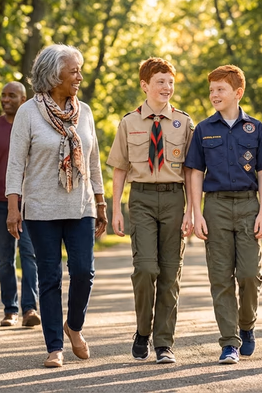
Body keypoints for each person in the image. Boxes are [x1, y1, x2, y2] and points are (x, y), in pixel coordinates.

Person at [5, 44, 107, 368]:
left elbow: (93, 162)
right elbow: (15, 163)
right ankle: (54, 346)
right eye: (74, 70)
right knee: (48, 277)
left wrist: (101, 202)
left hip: (81, 206)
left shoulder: (85, 112)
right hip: (41, 210)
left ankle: (73, 326)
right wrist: (12, 206)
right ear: (53, 75)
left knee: (83, 272)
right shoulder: (28, 113)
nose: (79, 76)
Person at [184, 65, 262, 364]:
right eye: (211, 90)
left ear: (237, 93)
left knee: (249, 274)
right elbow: (195, 173)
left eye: (220, 89)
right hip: (217, 206)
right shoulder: (203, 130)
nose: (214, 95)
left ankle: (246, 326)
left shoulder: (256, 128)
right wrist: (197, 213)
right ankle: (229, 343)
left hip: (249, 205)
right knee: (221, 277)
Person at [107, 57, 194, 364]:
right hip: (141, 198)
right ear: (145, 85)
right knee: (146, 269)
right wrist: (115, 209)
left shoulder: (184, 123)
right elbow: (119, 168)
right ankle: (143, 330)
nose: (167, 87)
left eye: (171, 82)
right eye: (160, 82)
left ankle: (164, 343)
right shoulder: (128, 123)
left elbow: (191, 172)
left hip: (174, 198)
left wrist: (192, 211)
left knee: (170, 274)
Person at [0, 81, 41, 328]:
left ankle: (30, 309)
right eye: (3, 95)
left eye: (11, 95)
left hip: (29, 203)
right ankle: (10, 309)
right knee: (5, 259)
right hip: (0, 204)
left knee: (29, 254)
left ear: (24, 99)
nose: (5, 99)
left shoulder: (34, 125)